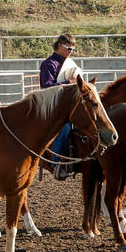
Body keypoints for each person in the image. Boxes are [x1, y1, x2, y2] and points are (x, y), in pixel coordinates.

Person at [39, 34, 81, 179]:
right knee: (65, 126)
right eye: (68, 48)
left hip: (68, 104)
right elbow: (46, 87)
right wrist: (69, 82)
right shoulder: (49, 64)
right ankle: (55, 163)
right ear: (58, 46)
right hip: (53, 106)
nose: (71, 51)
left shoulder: (69, 64)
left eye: (73, 49)